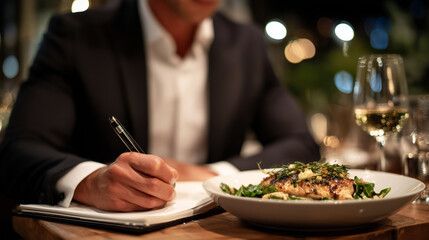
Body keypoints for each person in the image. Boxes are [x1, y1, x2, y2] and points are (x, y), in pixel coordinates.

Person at [0, 0, 320, 212]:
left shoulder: (245, 44)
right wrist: (92, 182)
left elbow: (301, 144)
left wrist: (210, 175)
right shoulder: (77, 36)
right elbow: (19, 150)